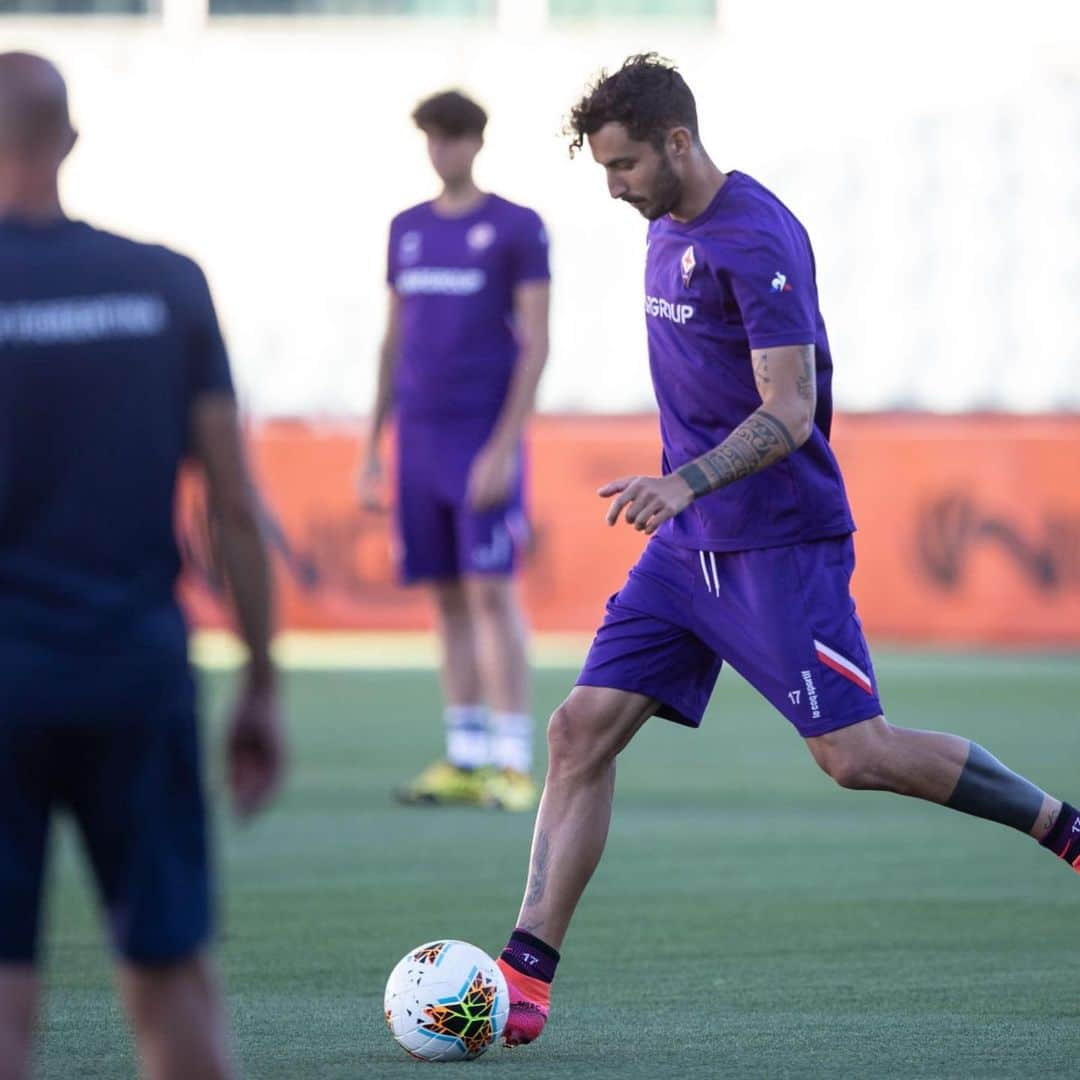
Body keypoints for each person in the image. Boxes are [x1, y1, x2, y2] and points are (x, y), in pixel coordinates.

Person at [493, 53, 1080, 1047]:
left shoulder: (756, 236)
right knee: (576, 733)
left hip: (777, 547)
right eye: (604, 168)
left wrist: (680, 481)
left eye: (627, 164)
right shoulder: (663, 224)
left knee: (855, 756)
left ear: (679, 142)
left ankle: (1066, 828)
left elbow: (792, 411)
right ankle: (524, 973)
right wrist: (680, 501)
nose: (615, 186)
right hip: (688, 551)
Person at [0, 52, 285, 1080]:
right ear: (68, 143)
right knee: (172, 984)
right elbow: (233, 507)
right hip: (135, 676)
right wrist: (260, 682)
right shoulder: (165, 284)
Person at [358, 90, 551, 812]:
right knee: (444, 595)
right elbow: (393, 339)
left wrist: (506, 446)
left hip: (481, 438)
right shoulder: (406, 230)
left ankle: (512, 760)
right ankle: (466, 754)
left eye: (456, 137)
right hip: (420, 441)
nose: (444, 151)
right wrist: (372, 443)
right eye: (434, 139)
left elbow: (536, 342)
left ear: (478, 142)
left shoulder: (517, 228)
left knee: (492, 592)